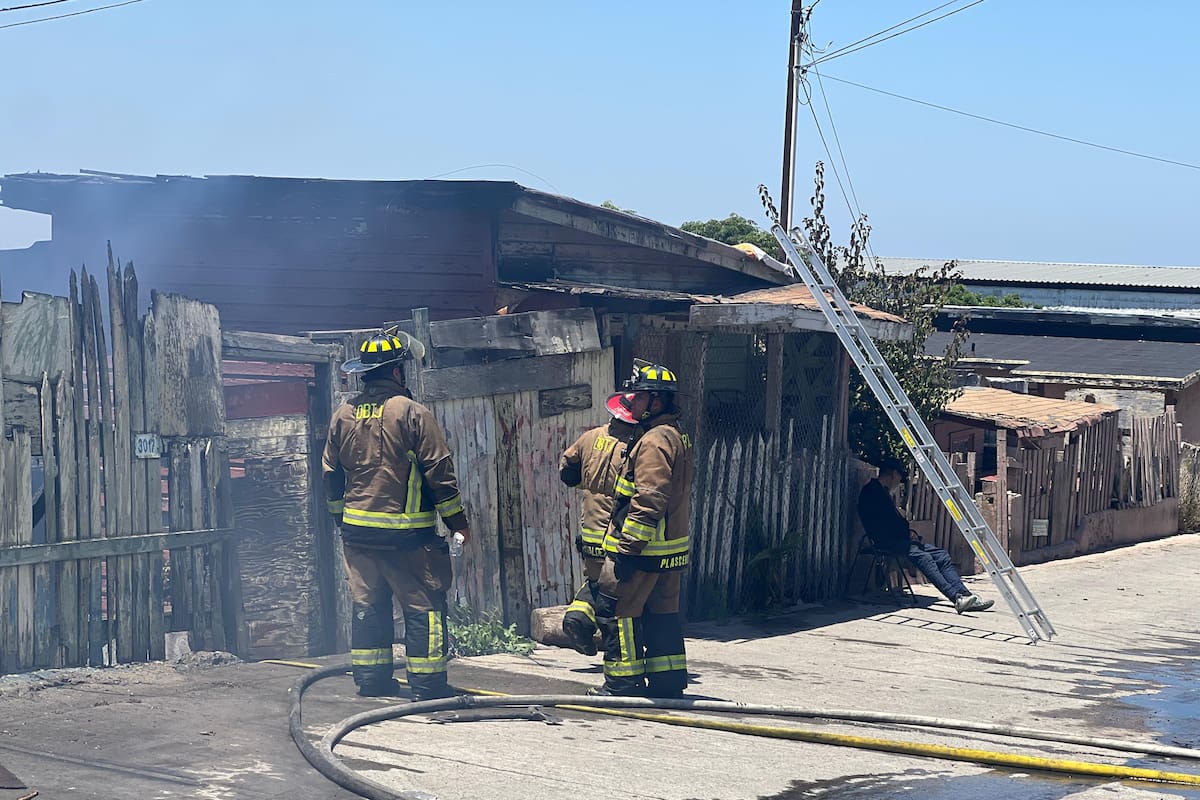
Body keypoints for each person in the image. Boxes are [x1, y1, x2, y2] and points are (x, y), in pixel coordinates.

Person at [323, 331, 471, 699]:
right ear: (398, 372)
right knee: (425, 606)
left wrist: (343, 520)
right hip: (409, 539)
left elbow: (330, 475)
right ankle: (428, 684)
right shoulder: (413, 413)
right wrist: (459, 525)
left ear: (365, 373)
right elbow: (440, 473)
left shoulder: (343, 414)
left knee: (368, 605)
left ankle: (372, 682)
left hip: (358, 536)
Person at [591, 362, 694, 698]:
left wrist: (628, 547)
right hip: (668, 551)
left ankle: (622, 683)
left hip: (644, 550)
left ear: (656, 401)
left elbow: (649, 497)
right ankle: (667, 682)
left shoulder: (653, 441)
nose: (630, 401)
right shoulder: (674, 434)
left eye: (636, 396)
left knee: (619, 611)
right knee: (664, 615)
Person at [857, 456, 993, 614]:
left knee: (941, 555)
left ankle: (966, 595)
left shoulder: (883, 492)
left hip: (900, 540)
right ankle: (956, 598)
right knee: (924, 558)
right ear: (893, 474)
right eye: (900, 476)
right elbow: (882, 523)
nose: (900, 481)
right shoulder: (872, 492)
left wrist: (907, 534)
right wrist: (905, 535)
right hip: (886, 541)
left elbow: (893, 521)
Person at [559, 417, 639, 656]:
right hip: (616, 533)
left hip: (590, 533)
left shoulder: (590, 437)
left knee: (595, 579)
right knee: (616, 593)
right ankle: (618, 653)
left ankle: (577, 617)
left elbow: (567, 472)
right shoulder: (638, 444)